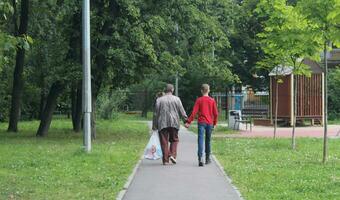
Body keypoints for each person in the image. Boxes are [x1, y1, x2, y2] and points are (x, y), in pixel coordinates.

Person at [152, 84, 188, 165]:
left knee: (164, 142)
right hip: (174, 122)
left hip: (162, 123)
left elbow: (155, 114)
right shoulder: (177, 99)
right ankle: (172, 155)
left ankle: (165, 160)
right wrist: (185, 120)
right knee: (174, 140)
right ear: (172, 90)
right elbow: (181, 110)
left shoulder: (159, 100)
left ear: (165, 90)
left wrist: (154, 125)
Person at [185, 84, 218, 167]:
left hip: (201, 123)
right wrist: (215, 123)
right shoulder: (212, 100)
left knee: (200, 140)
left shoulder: (199, 100)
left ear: (201, 91)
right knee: (208, 140)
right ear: (208, 90)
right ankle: (207, 159)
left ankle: (200, 158)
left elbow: (194, 112)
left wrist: (188, 122)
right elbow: (216, 113)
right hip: (210, 123)